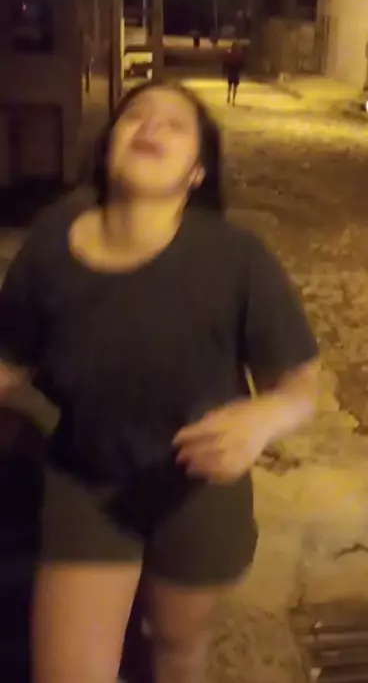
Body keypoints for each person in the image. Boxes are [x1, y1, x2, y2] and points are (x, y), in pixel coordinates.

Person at [0, 80, 319, 683]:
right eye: (135, 117)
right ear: (106, 150)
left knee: (176, 648)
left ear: (197, 173)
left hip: (197, 493)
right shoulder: (51, 243)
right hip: (89, 482)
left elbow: (302, 381)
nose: (150, 127)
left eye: (174, 125)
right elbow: (10, 354)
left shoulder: (235, 258)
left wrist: (263, 417)